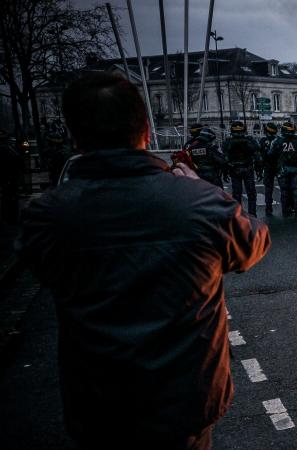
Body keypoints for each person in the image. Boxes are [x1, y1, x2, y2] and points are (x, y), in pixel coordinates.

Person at [15, 72, 270, 449]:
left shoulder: (46, 218)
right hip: (185, 400)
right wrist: (203, 189)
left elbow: (42, 267)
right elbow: (253, 243)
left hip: (98, 403)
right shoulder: (199, 204)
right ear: (146, 130)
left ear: (74, 136)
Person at [269, 121, 297, 217]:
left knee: (284, 190)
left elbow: (270, 154)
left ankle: (286, 209)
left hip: (282, 169)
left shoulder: (277, 140)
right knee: (296, 190)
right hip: (296, 168)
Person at [222, 120, 261, 216]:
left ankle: (238, 216)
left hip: (235, 169)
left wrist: (225, 172)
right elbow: (257, 156)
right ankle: (252, 214)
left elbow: (225, 159)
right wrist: (259, 170)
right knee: (251, 193)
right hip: (247, 168)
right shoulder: (249, 140)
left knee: (236, 194)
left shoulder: (228, 142)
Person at [182, 123, 227, 189]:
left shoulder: (189, 146)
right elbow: (222, 161)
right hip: (211, 175)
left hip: (196, 175)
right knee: (219, 194)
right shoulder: (210, 147)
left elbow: (185, 159)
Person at [258, 123, 281, 216]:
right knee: (284, 187)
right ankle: (288, 207)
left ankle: (268, 207)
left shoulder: (263, 140)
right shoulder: (279, 140)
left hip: (267, 166)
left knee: (268, 188)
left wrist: (259, 169)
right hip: (278, 166)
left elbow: (260, 156)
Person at [0, 129, 20, 224]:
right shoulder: (9, 150)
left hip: (7, 177)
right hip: (9, 178)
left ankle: (7, 217)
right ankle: (9, 217)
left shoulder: (10, 149)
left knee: (8, 198)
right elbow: (18, 162)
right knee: (10, 198)